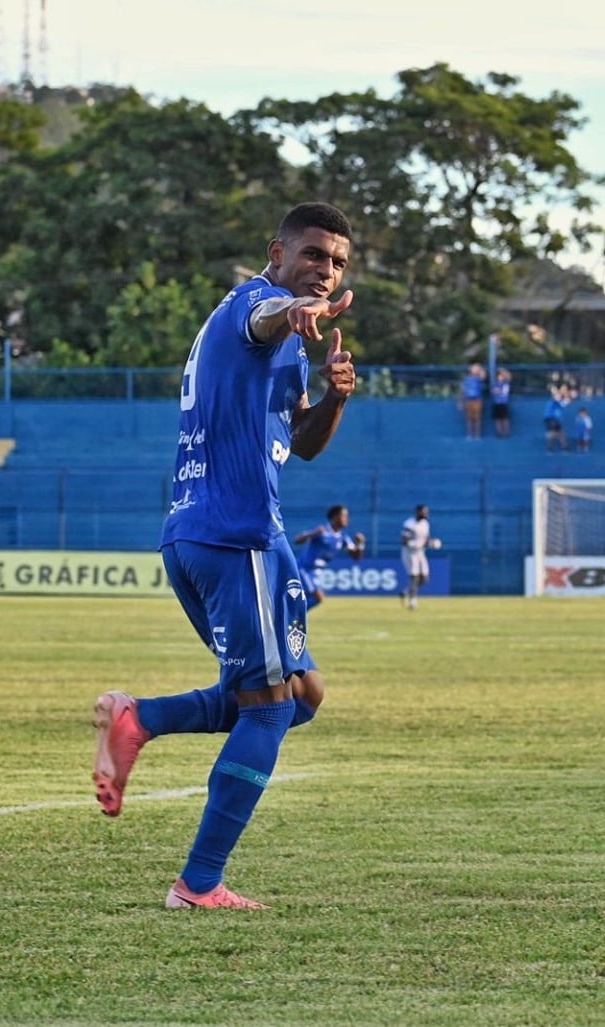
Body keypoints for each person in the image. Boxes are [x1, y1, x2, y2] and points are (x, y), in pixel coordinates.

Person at [90, 201, 358, 911]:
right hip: (233, 533)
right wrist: (291, 306)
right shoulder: (258, 303)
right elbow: (265, 317)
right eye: (313, 255)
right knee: (268, 707)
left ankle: (139, 717)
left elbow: (300, 442)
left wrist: (333, 397)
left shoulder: (288, 339)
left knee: (300, 695)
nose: (324, 271)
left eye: (336, 262)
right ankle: (198, 882)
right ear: (277, 252)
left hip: (231, 534)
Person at [291, 504, 366, 607]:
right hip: (304, 569)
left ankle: (292, 617)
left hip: (315, 572)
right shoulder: (322, 530)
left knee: (312, 598)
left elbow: (356, 557)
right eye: (344, 516)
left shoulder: (343, 537)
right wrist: (313, 534)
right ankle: (293, 618)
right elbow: (297, 540)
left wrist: (360, 544)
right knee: (317, 597)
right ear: (335, 517)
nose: (347, 519)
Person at [399, 503, 440, 610]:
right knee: (414, 577)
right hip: (409, 553)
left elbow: (425, 540)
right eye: (424, 512)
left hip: (420, 552)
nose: (426, 514)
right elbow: (404, 541)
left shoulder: (425, 524)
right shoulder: (409, 524)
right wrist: (416, 544)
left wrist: (432, 543)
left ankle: (406, 592)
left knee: (424, 579)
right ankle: (412, 602)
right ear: (418, 512)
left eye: (427, 512)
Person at [459, 362, 487, 439]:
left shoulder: (479, 378)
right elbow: (462, 391)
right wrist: (460, 402)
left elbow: (483, 375)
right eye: (473, 368)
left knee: (478, 418)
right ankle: (469, 434)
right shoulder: (466, 378)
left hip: (477, 400)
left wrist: (479, 368)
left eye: (475, 368)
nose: (474, 369)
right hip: (468, 400)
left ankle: (477, 435)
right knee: (469, 418)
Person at [543, 383, 570, 451]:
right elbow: (556, 397)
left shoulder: (561, 401)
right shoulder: (554, 399)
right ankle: (550, 446)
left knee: (560, 432)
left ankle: (564, 446)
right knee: (552, 432)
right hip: (550, 418)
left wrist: (566, 397)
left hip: (555, 419)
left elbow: (564, 403)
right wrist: (561, 392)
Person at [490, 367, 512, 438]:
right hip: (497, 403)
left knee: (505, 418)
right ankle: (499, 432)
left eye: (501, 376)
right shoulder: (495, 383)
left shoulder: (505, 383)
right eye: (499, 376)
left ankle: (506, 432)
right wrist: (497, 391)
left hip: (504, 403)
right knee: (497, 419)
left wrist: (503, 370)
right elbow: (493, 392)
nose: (500, 377)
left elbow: (500, 391)